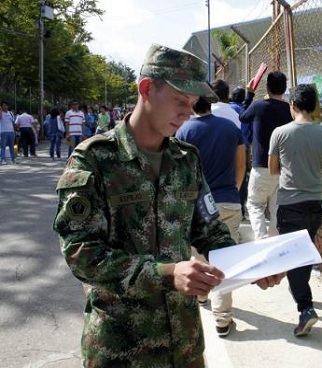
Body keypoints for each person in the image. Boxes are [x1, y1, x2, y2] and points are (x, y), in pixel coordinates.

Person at [53, 44, 283, 368]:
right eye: (179, 101)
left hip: (184, 345)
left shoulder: (185, 160)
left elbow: (210, 230)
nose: (187, 113)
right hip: (122, 350)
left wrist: (250, 267)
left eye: (191, 104)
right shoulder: (93, 161)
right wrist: (167, 274)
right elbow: (81, 253)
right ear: (146, 89)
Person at [175, 96, 245, 338]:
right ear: (211, 104)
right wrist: (233, 191)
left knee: (198, 251)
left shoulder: (184, 130)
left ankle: (202, 293)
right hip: (229, 199)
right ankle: (223, 320)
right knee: (225, 259)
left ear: (192, 106)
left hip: (198, 203)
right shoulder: (231, 128)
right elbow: (241, 166)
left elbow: (179, 171)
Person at [268, 84, 322, 337]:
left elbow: (273, 170)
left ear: (292, 105)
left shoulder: (280, 133)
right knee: (303, 254)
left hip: (289, 202)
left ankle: (306, 308)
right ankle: (302, 296)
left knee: (293, 260)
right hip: (315, 203)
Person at [239, 71, 292, 239]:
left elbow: (243, 117)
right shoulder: (289, 110)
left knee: (255, 204)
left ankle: (262, 239)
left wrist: (250, 94)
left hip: (261, 166)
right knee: (277, 208)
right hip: (283, 168)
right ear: (284, 89)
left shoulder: (258, 106)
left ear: (267, 87)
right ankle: (274, 240)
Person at [230, 87, 251, 219]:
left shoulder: (227, 108)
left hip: (227, 144)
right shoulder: (246, 110)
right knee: (242, 175)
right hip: (243, 146)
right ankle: (241, 209)